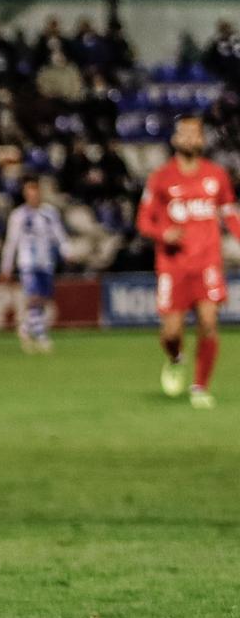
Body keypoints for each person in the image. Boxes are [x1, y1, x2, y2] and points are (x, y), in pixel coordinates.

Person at [136, 115, 240, 408]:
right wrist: (162, 232)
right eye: (185, 133)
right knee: (171, 333)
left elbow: (229, 212)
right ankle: (175, 358)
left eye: (196, 134)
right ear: (175, 139)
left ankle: (200, 386)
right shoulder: (161, 178)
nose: (191, 138)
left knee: (209, 323)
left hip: (208, 262)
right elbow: (143, 220)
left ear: (203, 140)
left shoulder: (216, 175)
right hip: (173, 265)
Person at [0, 176, 67, 353]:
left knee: (43, 299)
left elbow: (59, 234)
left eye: (36, 192)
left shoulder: (50, 213)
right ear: (25, 195)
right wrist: (6, 267)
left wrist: (67, 250)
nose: (34, 196)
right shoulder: (18, 215)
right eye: (30, 193)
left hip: (46, 262)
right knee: (34, 296)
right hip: (27, 262)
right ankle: (42, 336)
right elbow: (11, 242)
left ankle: (25, 328)